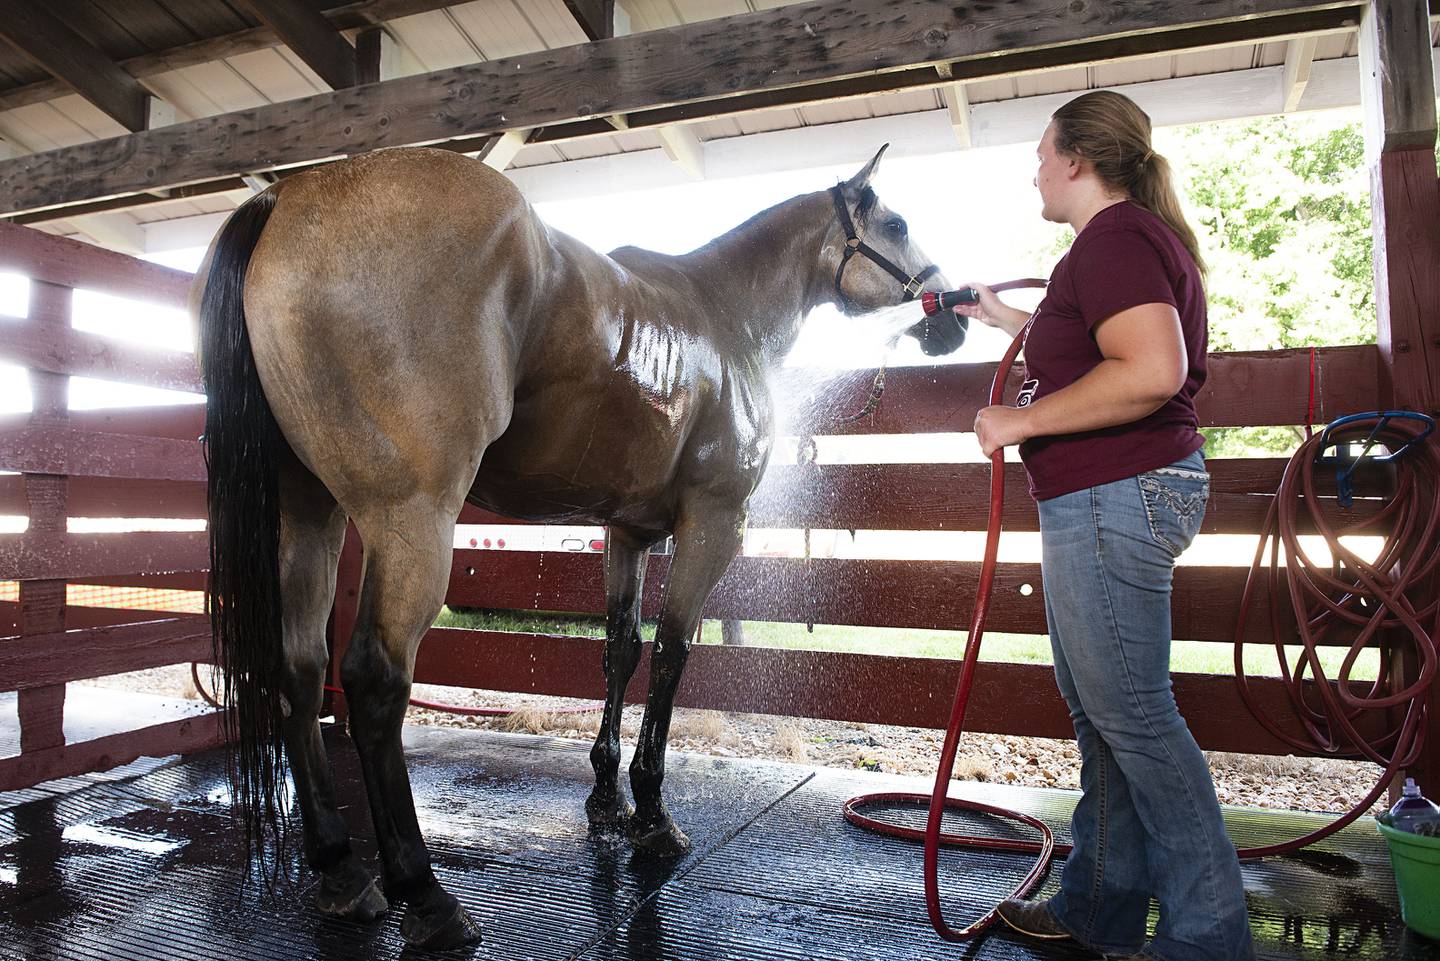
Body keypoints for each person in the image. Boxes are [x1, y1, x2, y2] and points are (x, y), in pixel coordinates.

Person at [955, 90, 1255, 961]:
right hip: (1109, 495)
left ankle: (1209, 939)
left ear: (1078, 159)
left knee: (1135, 716)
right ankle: (1098, 907)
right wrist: (1008, 319)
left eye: (1043, 153)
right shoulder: (1116, 246)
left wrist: (1018, 421)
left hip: (1112, 492)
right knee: (1105, 714)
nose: (1035, 170)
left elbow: (1152, 368)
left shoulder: (1115, 238)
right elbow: (1100, 345)